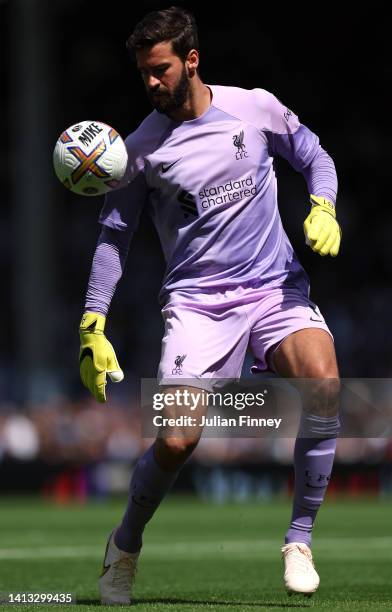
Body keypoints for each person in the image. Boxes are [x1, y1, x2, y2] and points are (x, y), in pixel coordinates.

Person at [79, 6, 341, 604]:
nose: (151, 83)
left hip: (276, 285)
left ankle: (298, 539)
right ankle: (124, 545)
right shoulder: (138, 150)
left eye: (161, 70)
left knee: (325, 386)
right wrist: (94, 318)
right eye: (143, 73)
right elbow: (114, 237)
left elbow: (315, 157)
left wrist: (322, 203)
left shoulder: (255, 107)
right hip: (199, 304)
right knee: (176, 441)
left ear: (191, 60)